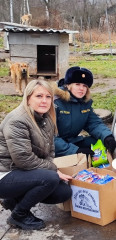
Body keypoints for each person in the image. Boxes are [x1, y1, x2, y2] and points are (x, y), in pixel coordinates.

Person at [0, 80, 73, 230]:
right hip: (5, 172)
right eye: (39, 96)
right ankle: (19, 215)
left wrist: (49, 167)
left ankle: (12, 200)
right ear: (28, 98)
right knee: (50, 178)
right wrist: (52, 169)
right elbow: (23, 159)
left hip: (21, 172)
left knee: (63, 192)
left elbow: (50, 151)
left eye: (48, 97)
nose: (44, 101)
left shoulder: (46, 119)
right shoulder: (17, 120)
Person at [53, 66, 116, 158]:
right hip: (55, 147)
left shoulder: (84, 103)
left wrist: (107, 136)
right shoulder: (56, 102)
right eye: (77, 84)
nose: (81, 89)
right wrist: (75, 151)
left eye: (84, 86)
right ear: (68, 85)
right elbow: (49, 137)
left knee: (100, 142)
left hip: (73, 141)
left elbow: (94, 123)